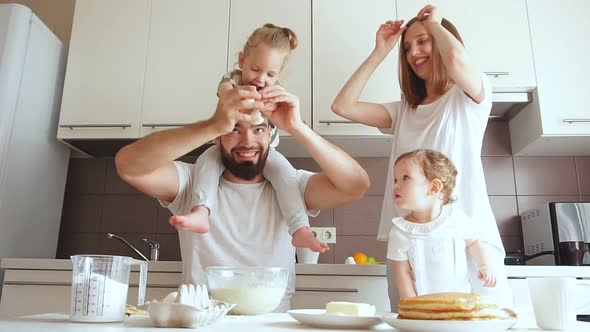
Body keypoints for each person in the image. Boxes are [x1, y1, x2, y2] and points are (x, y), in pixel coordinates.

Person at [115, 82, 370, 311]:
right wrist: (212, 124)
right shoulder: (190, 182)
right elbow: (128, 165)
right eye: (235, 130)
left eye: (259, 129)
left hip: (270, 322)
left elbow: (356, 184)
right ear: (218, 136)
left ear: (271, 134)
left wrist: (297, 126)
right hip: (205, 319)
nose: (247, 141)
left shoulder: (291, 187)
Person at [331, 4, 512, 307]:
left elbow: (454, 58)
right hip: (407, 244)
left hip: (468, 241)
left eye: (423, 41)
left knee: (484, 323)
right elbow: (343, 106)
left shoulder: (470, 96)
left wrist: (435, 24)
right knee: (411, 322)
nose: (414, 52)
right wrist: (381, 51)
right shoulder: (403, 110)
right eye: (407, 47)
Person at [168, 23, 328, 253]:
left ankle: (300, 229)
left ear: (278, 75)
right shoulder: (233, 79)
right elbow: (224, 90)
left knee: (286, 176)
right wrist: (232, 96)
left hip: (265, 152)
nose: (261, 79)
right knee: (206, 163)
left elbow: (281, 111)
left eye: (271, 74)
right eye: (255, 69)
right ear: (242, 61)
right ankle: (201, 211)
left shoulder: (275, 88)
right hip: (226, 145)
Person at [388, 149, 497, 299]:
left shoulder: (456, 219)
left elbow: (474, 242)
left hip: (460, 305)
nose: (396, 186)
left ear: (434, 188)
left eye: (405, 178)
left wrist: (484, 265)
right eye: (395, 180)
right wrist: (412, 306)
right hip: (424, 309)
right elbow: (402, 274)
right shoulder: (400, 232)